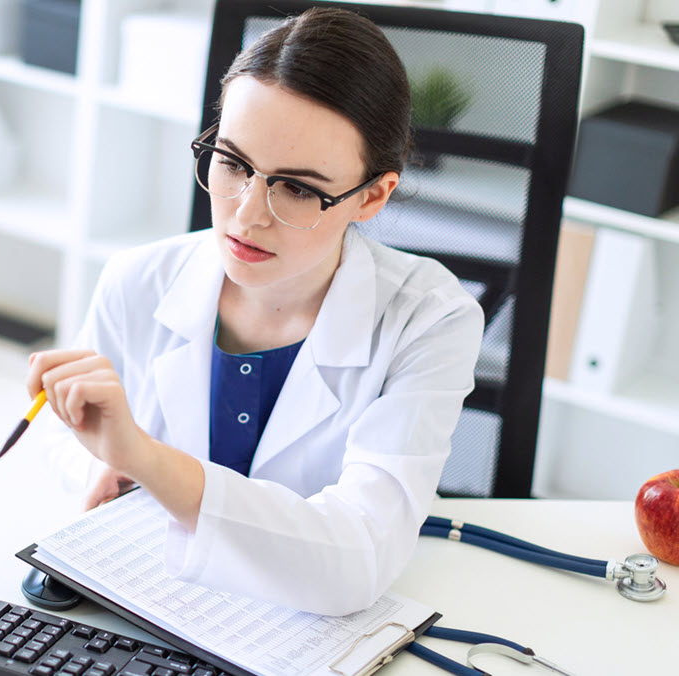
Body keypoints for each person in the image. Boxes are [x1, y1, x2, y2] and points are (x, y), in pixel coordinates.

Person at [26, 6, 485, 617]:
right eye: (234, 163)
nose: (246, 214)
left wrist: (147, 459)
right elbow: (69, 434)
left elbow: (357, 561)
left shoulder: (429, 321)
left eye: (297, 188)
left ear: (373, 196)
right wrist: (97, 469)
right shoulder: (137, 280)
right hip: (158, 606)